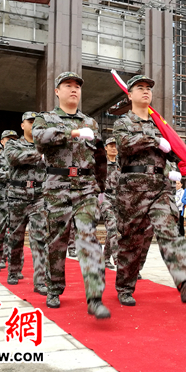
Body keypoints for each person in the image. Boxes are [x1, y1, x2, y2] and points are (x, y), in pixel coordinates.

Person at [113, 74, 186, 307]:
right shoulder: (123, 122)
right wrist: (153, 141)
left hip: (160, 187)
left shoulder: (161, 125)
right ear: (130, 94)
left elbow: (177, 152)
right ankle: (125, 287)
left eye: (148, 88)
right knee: (131, 240)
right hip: (132, 189)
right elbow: (124, 144)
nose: (146, 91)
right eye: (140, 88)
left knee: (170, 232)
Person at [32, 71, 110, 319]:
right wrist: (72, 134)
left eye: (77, 86)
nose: (74, 89)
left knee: (89, 239)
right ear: (57, 91)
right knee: (57, 242)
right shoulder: (46, 118)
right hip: (57, 186)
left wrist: (100, 185)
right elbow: (39, 139)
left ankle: (95, 297)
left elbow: (99, 157)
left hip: (86, 187)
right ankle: (54, 288)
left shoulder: (91, 122)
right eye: (68, 85)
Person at [4, 112, 49, 291]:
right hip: (17, 195)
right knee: (15, 237)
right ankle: (13, 271)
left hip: (39, 196)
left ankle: (40, 281)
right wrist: (40, 154)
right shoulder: (13, 144)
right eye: (30, 122)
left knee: (39, 238)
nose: (34, 125)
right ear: (22, 125)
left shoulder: (47, 147)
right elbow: (14, 158)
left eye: (37, 122)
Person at [0, 130, 20, 273]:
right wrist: (12, 175)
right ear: (2, 141)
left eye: (15, 139)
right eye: (9, 139)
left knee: (15, 233)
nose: (12, 141)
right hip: (0, 197)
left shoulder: (19, 156)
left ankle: (15, 267)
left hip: (17, 196)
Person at [101, 137, 121, 269]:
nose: (113, 148)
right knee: (112, 227)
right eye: (111, 146)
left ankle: (105, 258)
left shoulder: (121, 165)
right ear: (106, 148)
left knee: (112, 230)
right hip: (105, 198)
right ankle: (119, 261)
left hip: (118, 199)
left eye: (115, 146)